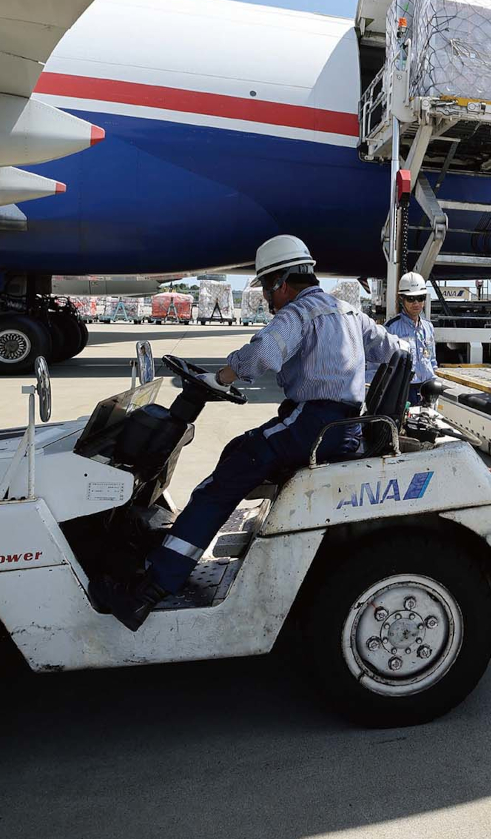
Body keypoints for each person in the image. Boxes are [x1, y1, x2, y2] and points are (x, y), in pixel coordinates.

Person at [88, 235, 403, 631]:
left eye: (267, 289)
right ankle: (179, 542)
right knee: (239, 451)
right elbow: (395, 350)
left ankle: (150, 588)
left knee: (223, 479)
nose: (269, 300)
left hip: (312, 424)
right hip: (344, 426)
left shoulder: (300, 312)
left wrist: (220, 377)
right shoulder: (348, 311)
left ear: (280, 282)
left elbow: (264, 354)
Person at [386, 272, 441, 405]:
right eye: (411, 299)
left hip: (427, 389)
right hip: (402, 391)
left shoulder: (428, 327)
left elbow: (432, 360)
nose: (416, 303)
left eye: (420, 298)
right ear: (402, 299)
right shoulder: (391, 329)